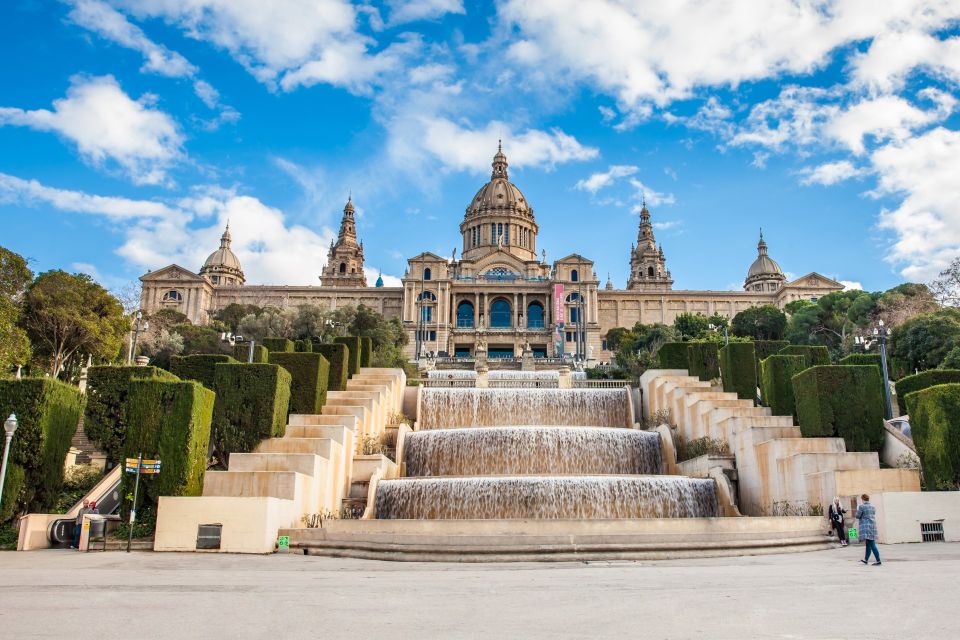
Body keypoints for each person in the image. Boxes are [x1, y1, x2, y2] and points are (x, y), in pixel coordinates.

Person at [856, 494, 881, 566]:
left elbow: (857, 516)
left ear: (863, 499)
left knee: (872, 544)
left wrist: (858, 509)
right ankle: (866, 559)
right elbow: (873, 514)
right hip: (872, 526)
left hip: (866, 527)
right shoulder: (872, 506)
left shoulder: (861, 506)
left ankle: (878, 560)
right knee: (868, 544)